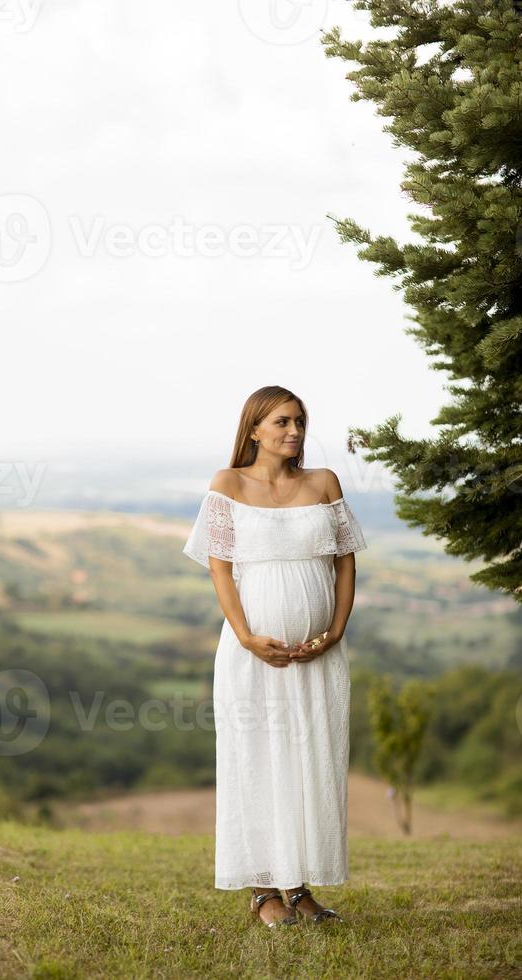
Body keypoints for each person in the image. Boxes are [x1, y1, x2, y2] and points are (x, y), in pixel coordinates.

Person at [182, 385, 367, 929]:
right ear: (254, 428)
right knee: (258, 761)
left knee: (311, 763)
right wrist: (245, 636)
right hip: (253, 656)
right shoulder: (227, 485)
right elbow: (219, 567)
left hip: (318, 658)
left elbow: (345, 563)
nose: (294, 432)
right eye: (282, 422)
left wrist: (334, 631)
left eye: (300, 422)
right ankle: (263, 891)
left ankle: (299, 887)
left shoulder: (323, 483)